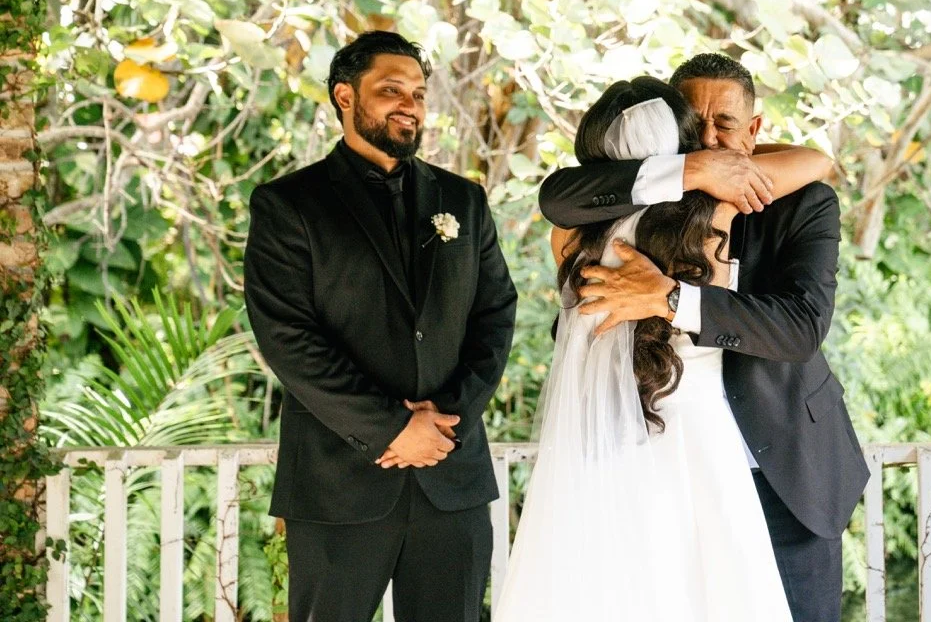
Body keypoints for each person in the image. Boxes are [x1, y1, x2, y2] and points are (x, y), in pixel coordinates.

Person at [536, 54, 869, 622]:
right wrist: (691, 173)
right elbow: (557, 196)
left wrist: (670, 297)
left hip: (787, 471)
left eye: (727, 125)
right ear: (671, 127)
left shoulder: (803, 201)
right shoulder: (614, 201)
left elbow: (800, 328)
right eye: (697, 125)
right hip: (659, 465)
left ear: (756, 130)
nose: (711, 139)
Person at [243, 31, 517, 622]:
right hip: (339, 483)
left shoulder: (464, 201)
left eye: (418, 93)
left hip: (452, 479)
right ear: (345, 96)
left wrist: (447, 423)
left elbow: (494, 318)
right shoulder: (288, 204)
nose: (409, 105)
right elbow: (288, 339)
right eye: (390, 90)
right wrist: (393, 428)